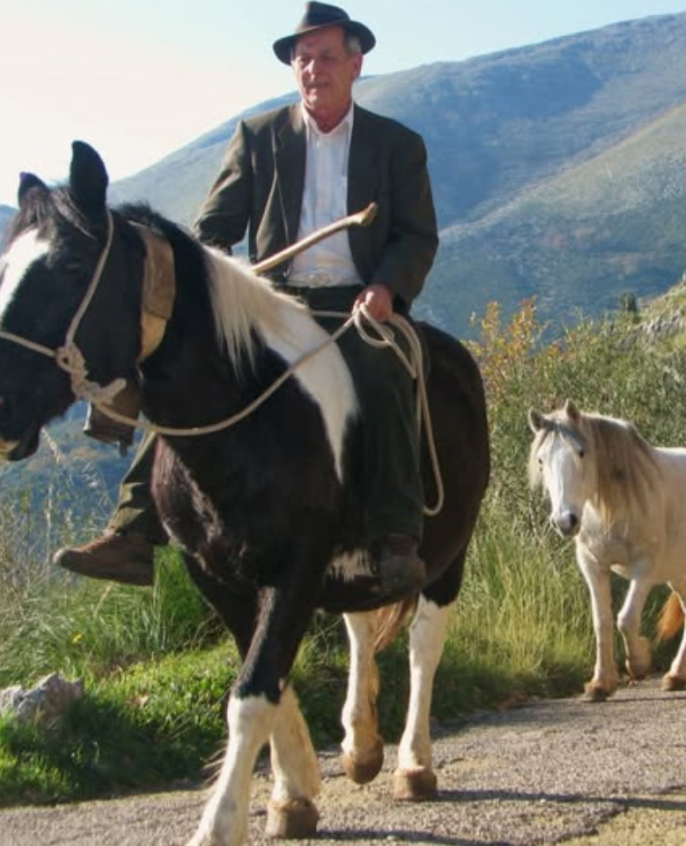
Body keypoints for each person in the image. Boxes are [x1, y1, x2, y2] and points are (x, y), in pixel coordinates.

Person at [54, 2, 438, 597]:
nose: (314, 70)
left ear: (356, 63)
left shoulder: (397, 145)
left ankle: (395, 538)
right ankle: (132, 531)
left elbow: (415, 235)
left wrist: (385, 286)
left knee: (383, 371)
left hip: (356, 306)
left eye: (327, 57)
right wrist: (226, 278)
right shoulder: (257, 138)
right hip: (272, 302)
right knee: (181, 376)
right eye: (303, 59)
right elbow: (212, 229)